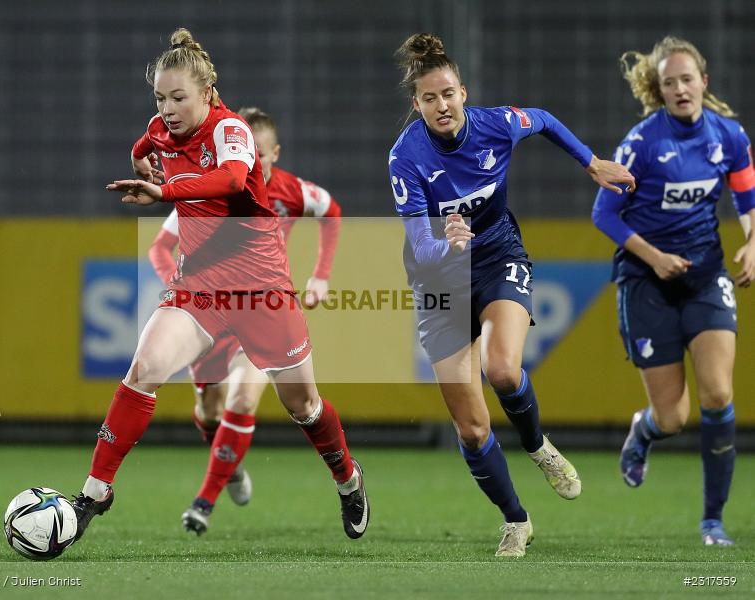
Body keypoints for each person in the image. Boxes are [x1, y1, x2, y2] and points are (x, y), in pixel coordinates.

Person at [69, 28, 368, 544]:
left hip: (262, 290)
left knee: (305, 407)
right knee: (143, 369)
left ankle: (347, 478)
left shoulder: (231, 131)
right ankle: (95, 492)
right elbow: (143, 143)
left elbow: (231, 180)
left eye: (178, 97)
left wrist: (162, 188)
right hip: (200, 288)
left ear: (207, 94)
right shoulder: (160, 128)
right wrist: (140, 159)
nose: (167, 108)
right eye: (160, 97)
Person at [389, 33, 635, 557]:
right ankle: (516, 521)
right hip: (438, 281)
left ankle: (538, 445)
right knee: (473, 428)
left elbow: (543, 118)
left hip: (499, 256)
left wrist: (591, 163)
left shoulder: (495, 124)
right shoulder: (406, 157)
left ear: (463, 92)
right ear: (417, 105)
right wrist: (446, 243)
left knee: (502, 369)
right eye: (429, 98)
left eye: (449, 93)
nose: (441, 105)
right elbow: (421, 247)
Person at [147, 106, 343, 533]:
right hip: (209, 310)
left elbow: (332, 211)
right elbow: (160, 248)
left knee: (244, 398)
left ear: (274, 152)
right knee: (209, 410)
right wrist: (181, 289)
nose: (252, 157)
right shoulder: (206, 191)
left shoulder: (293, 191)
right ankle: (229, 465)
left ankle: (203, 503)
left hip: (258, 307)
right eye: (243, 149)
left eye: (261, 152)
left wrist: (321, 275)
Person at [592, 36, 755, 546]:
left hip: (705, 278)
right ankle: (644, 432)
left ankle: (712, 522)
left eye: (688, 79)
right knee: (672, 417)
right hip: (647, 283)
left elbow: (747, 198)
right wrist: (655, 258)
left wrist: (753, 242)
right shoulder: (640, 144)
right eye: (670, 83)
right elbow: (603, 213)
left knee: (719, 393)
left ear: (704, 83)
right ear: (659, 91)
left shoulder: (728, 136)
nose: (680, 89)